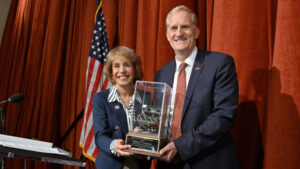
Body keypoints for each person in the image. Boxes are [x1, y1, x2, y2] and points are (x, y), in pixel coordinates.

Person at [154, 5, 239, 169]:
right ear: (167, 35)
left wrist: (180, 146)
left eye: (185, 27)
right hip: (168, 163)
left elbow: (223, 116)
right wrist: (144, 133)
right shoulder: (161, 74)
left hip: (209, 161)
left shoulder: (220, 64)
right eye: (173, 28)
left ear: (197, 32)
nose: (179, 33)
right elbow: (159, 118)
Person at [93, 46, 151, 169]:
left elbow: (151, 131)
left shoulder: (147, 97)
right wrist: (115, 145)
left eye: (127, 65)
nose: (122, 70)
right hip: (111, 164)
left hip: (139, 164)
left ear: (134, 70)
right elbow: (100, 136)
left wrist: (145, 137)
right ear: (111, 72)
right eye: (117, 66)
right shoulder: (101, 99)